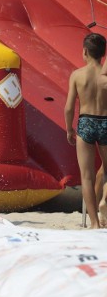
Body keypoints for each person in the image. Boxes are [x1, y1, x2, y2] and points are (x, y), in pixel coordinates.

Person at [65, 33, 107, 229]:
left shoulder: (77, 75)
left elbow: (69, 107)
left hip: (86, 123)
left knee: (87, 176)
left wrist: (69, 129)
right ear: (103, 54)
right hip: (105, 121)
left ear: (84, 52)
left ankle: (94, 223)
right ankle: (104, 201)